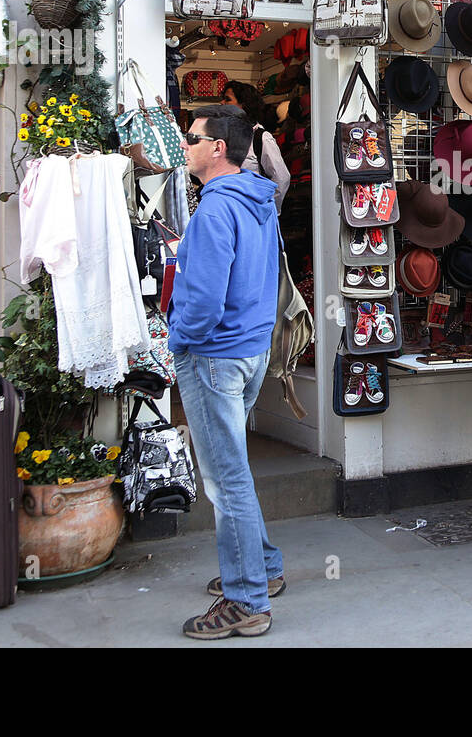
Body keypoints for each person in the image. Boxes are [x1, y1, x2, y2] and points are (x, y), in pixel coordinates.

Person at [168, 105, 284, 639]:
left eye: (192, 138)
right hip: (249, 349)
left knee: (224, 477)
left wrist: (180, 338)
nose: (185, 144)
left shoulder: (216, 210)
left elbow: (206, 300)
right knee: (232, 469)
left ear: (218, 148)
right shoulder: (257, 199)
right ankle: (264, 569)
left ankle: (247, 599)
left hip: (215, 354)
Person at [223, 80, 290, 209]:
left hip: (251, 214)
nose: (222, 104)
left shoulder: (261, 138)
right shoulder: (223, 137)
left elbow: (281, 178)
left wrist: (265, 210)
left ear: (244, 105)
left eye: (228, 100)